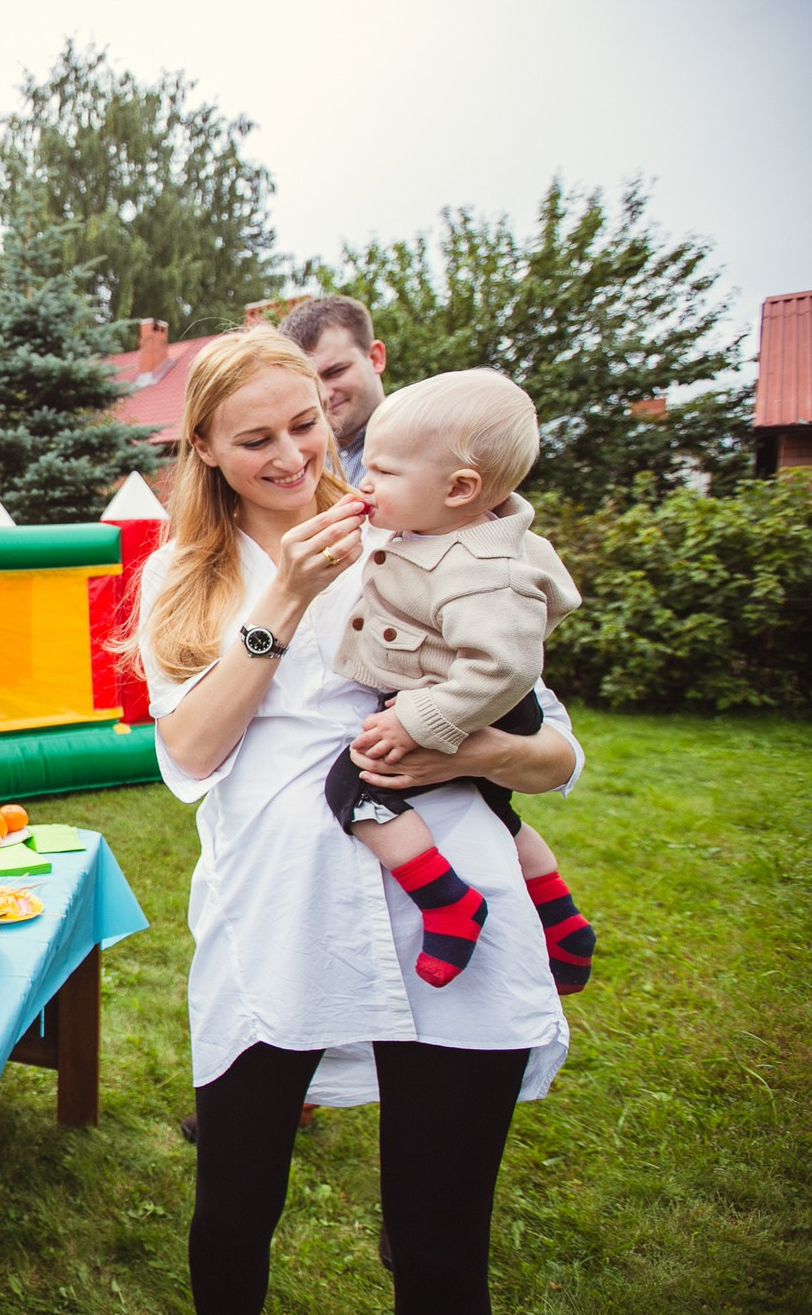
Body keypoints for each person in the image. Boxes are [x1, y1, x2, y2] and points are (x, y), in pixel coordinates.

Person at [133, 327, 579, 1313]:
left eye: (306, 423)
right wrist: (284, 592)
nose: (292, 457)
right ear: (201, 446)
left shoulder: (420, 527)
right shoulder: (180, 577)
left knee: (437, 1241)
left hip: (450, 916)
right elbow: (192, 750)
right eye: (255, 441)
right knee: (233, 1209)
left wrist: (462, 751)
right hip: (278, 913)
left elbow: (550, 749)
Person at [327, 369, 597, 993]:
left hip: (481, 704)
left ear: (460, 488)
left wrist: (419, 721)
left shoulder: (481, 569)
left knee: (356, 783)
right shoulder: (444, 531)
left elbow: (503, 669)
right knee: (497, 811)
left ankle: (448, 901)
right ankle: (561, 920)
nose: (366, 481)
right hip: (485, 703)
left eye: (385, 472)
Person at [279, 295, 386, 487]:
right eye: (310, 381)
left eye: (335, 372)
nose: (323, 395)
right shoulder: (290, 469)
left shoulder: (429, 444)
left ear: (375, 358)